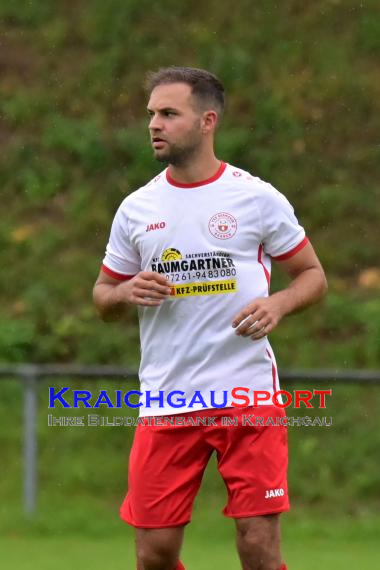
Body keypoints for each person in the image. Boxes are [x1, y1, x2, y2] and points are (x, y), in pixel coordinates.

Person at [93, 66, 327, 570]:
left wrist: (278, 303)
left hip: (247, 395)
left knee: (258, 544)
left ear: (207, 121)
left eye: (169, 113)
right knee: (153, 554)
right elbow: (102, 297)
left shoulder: (256, 198)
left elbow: (312, 276)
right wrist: (125, 291)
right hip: (168, 397)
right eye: (151, 114)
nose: (154, 124)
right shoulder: (137, 208)